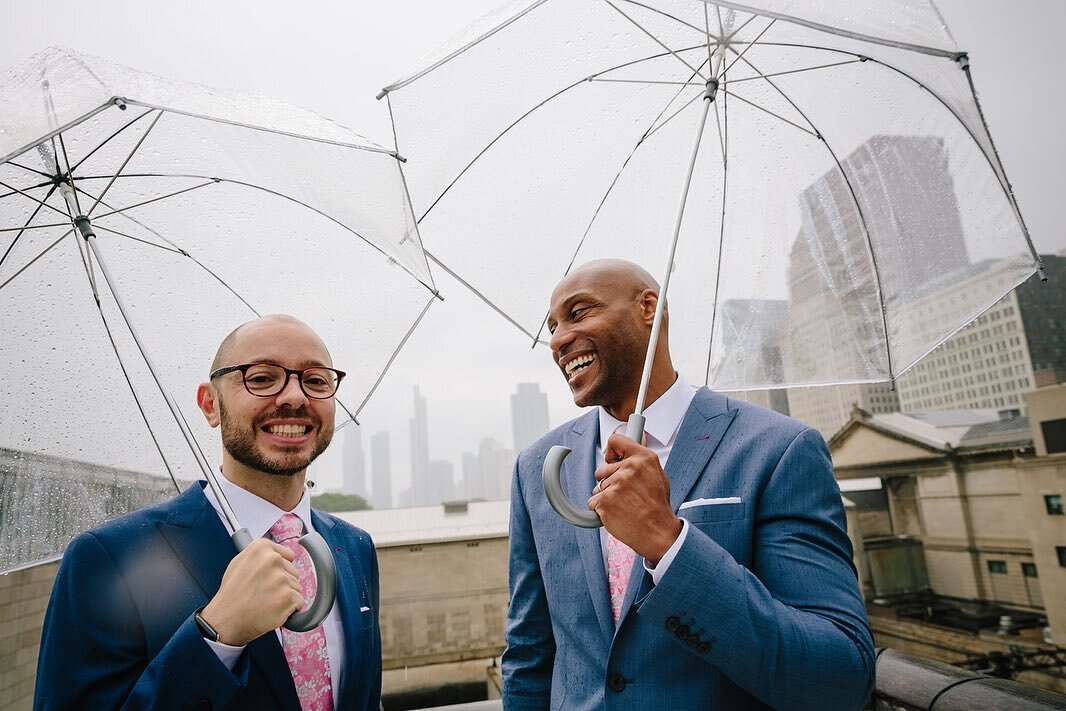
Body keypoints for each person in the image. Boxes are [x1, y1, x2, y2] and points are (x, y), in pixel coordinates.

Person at [503, 259, 875, 710]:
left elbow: (840, 676)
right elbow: (528, 656)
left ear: (649, 309)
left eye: (579, 313)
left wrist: (668, 544)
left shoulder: (779, 450)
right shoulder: (536, 469)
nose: (559, 339)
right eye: (553, 326)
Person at [35, 314, 381, 711]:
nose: (294, 397)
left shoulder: (355, 547)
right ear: (210, 405)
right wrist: (217, 634)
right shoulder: (108, 557)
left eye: (316, 380)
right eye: (262, 378)